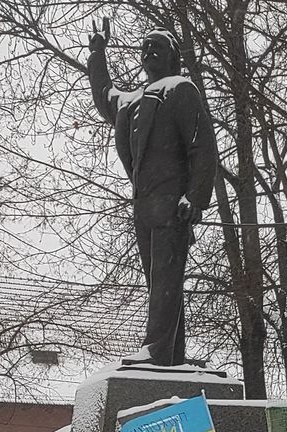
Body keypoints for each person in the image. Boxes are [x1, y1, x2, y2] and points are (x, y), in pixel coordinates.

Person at [87, 20, 217, 367]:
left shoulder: (180, 90)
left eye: (157, 46)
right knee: (161, 282)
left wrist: (195, 196)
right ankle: (171, 355)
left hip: (173, 204)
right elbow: (104, 95)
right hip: (144, 207)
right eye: (144, 47)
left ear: (173, 56)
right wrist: (98, 53)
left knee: (166, 279)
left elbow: (203, 148)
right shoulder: (131, 102)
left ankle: (157, 350)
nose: (148, 52)